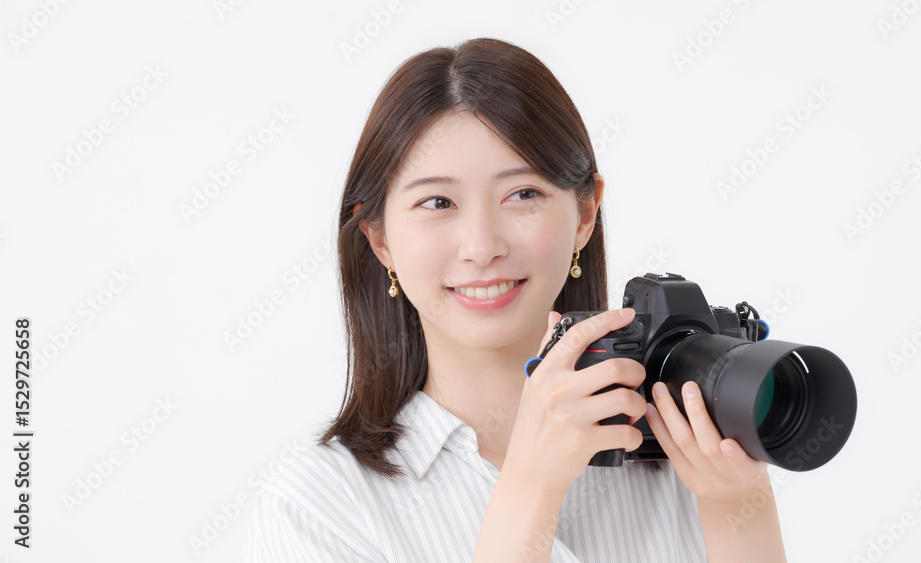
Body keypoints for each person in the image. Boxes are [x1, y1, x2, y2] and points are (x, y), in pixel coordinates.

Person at [245, 37, 786, 562]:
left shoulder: (687, 448)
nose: (482, 247)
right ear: (379, 238)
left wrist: (738, 502)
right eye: (437, 202)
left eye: (523, 194)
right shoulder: (314, 508)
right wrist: (530, 485)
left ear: (585, 214)